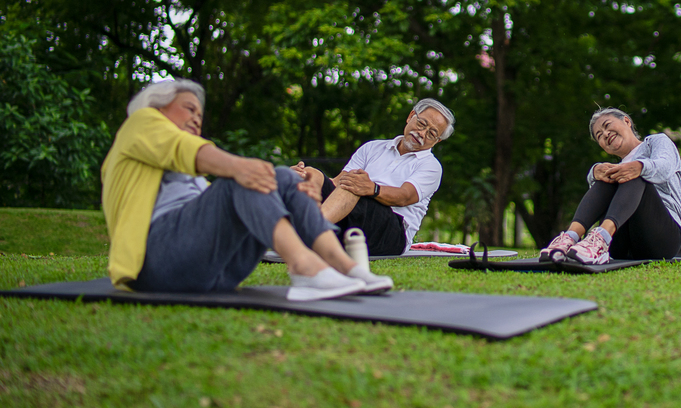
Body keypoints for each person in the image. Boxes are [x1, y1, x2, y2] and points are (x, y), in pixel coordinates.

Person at [101, 80, 392, 301]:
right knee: (243, 177)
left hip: (215, 271)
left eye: (200, 114)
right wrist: (241, 168)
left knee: (283, 176)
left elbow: (217, 208)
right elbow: (187, 151)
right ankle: (304, 268)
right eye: (189, 108)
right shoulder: (139, 124)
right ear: (157, 107)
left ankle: (341, 264)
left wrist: (283, 188)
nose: (197, 118)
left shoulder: (187, 175)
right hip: (155, 266)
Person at [292, 98, 453, 257]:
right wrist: (300, 175)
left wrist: (372, 189)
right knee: (312, 174)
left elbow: (404, 196)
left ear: (436, 141)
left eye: (431, 134)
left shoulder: (431, 166)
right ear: (411, 116)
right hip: (353, 211)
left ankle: (309, 229)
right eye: (422, 124)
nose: (422, 133)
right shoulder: (373, 147)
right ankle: (311, 229)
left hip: (393, 230)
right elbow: (337, 182)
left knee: (355, 185)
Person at [539, 107, 681, 265]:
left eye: (607, 125)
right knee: (608, 174)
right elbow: (599, 202)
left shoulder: (656, 142)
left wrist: (638, 167)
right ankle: (569, 238)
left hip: (663, 240)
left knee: (631, 173)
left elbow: (665, 166)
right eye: (599, 136)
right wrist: (594, 172)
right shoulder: (615, 169)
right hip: (620, 246)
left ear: (627, 121)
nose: (605, 134)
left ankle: (602, 236)